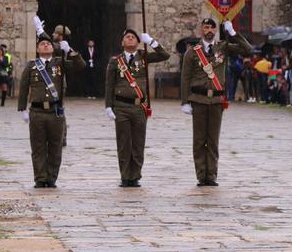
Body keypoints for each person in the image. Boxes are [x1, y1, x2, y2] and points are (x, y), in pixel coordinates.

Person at [181, 18, 252, 187]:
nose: (209, 30)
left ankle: (211, 175)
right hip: (198, 99)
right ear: (201, 30)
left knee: (213, 140)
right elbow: (185, 77)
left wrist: (233, 33)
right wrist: (184, 101)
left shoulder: (223, 47)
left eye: (212, 27)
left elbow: (247, 50)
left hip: (217, 100)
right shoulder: (192, 52)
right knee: (199, 140)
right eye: (206, 27)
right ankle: (201, 175)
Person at [104, 29, 170, 188]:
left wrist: (152, 42)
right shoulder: (115, 61)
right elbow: (109, 85)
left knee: (138, 143)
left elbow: (164, 55)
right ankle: (125, 176)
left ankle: (136, 176)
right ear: (122, 42)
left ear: (138, 42)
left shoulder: (144, 57)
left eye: (133, 37)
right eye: (127, 37)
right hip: (121, 106)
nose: (130, 39)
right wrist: (108, 106)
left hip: (139, 106)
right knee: (124, 143)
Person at [17, 32, 83, 188]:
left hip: (55, 112)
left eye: (48, 44)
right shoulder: (31, 65)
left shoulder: (60, 63)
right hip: (37, 112)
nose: (45, 45)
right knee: (38, 147)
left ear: (53, 48)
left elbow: (80, 66)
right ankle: (40, 178)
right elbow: (24, 87)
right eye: (42, 44)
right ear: (37, 49)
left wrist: (70, 51)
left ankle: (52, 177)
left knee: (55, 146)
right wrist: (22, 109)